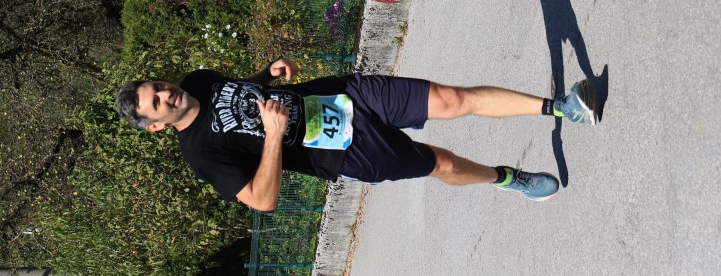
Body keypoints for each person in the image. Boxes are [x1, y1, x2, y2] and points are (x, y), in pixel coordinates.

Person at [115, 58, 597, 208]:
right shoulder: (201, 153)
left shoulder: (199, 80)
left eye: (158, 87)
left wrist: (266, 74)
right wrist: (274, 136)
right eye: (157, 103)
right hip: (340, 152)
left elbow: (240, 94)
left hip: (341, 95)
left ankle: (562, 108)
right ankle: (507, 178)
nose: (166, 94)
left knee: (451, 98)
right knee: (443, 163)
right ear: (155, 125)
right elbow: (262, 199)